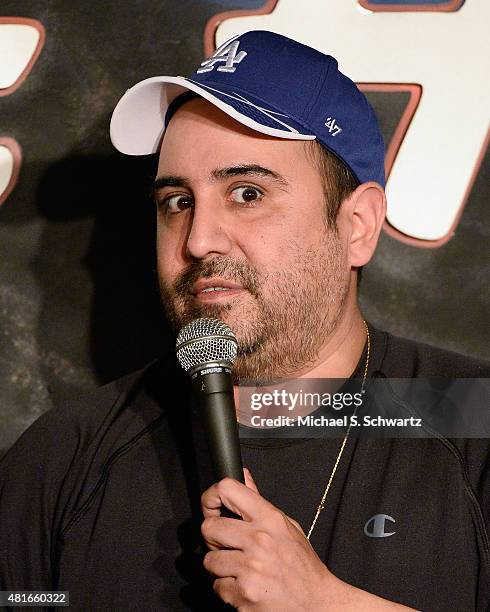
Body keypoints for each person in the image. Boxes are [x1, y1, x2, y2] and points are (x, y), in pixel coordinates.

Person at [1, 30, 489, 612]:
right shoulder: (66, 458)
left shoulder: (471, 415)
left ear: (357, 224)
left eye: (248, 193)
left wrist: (323, 604)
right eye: (177, 202)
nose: (199, 239)